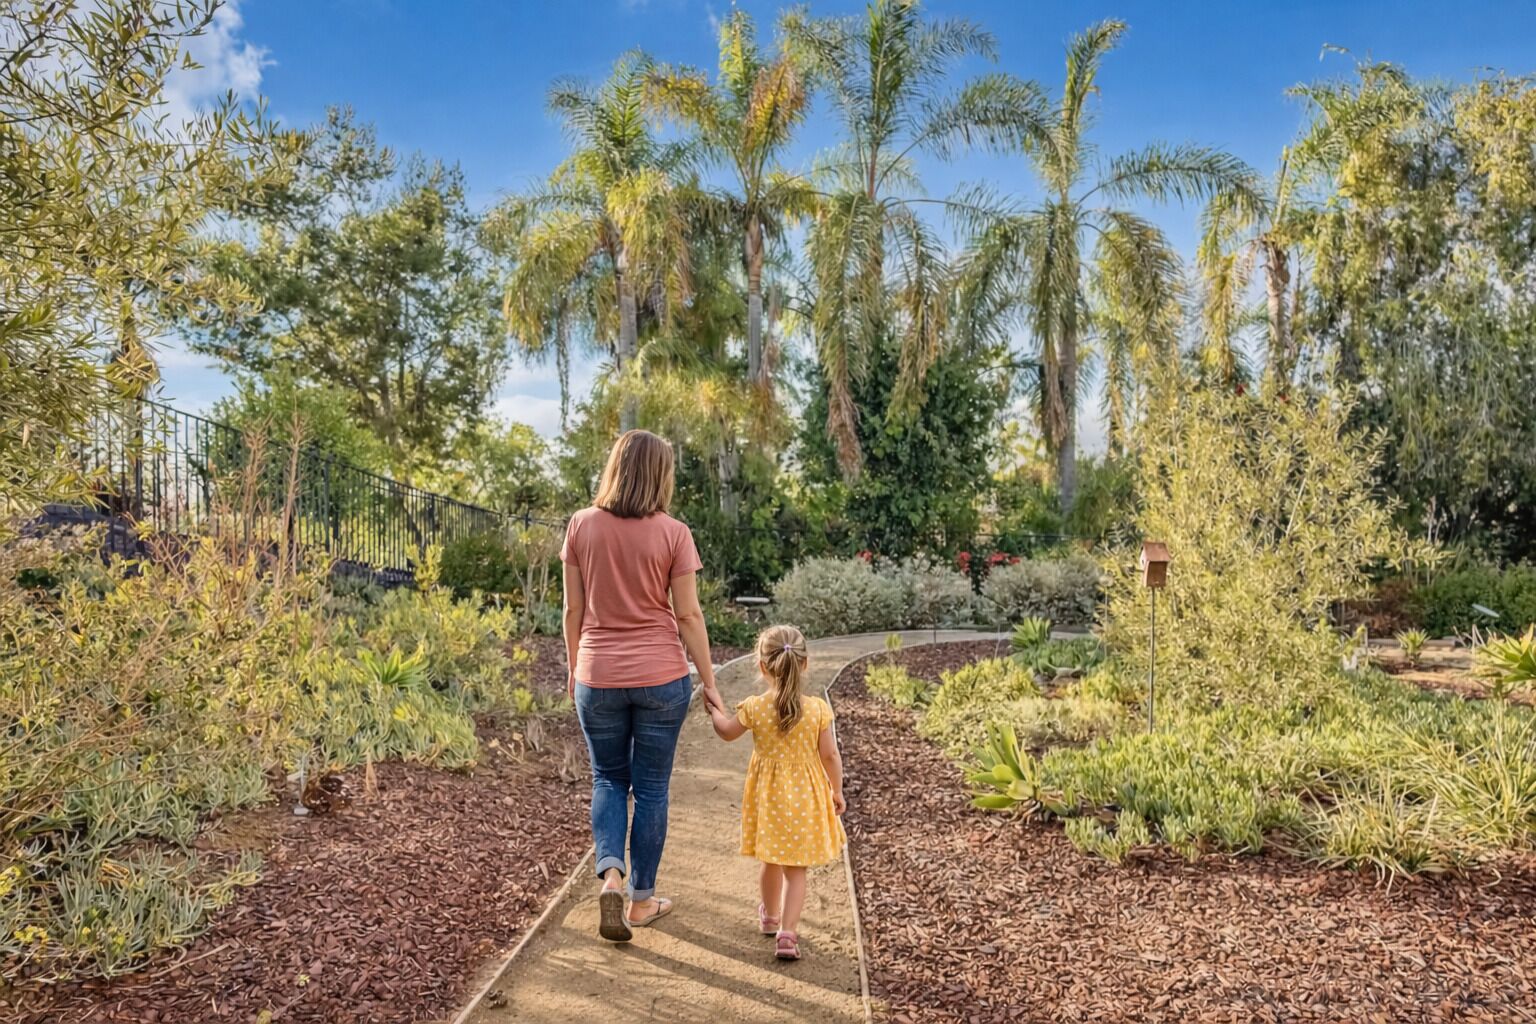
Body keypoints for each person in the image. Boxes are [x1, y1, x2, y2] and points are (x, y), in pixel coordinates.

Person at [561, 429, 724, 943]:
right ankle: (642, 900)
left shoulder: (581, 526)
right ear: (661, 475)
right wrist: (712, 682)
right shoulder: (674, 533)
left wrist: (574, 667)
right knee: (651, 789)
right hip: (661, 677)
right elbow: (689, 615)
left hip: (598, 674)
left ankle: (611, 876)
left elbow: (572, 610)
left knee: (608, 779)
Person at [706, 624, 847, 961]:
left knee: (770, 859)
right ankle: (787, 933)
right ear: (805, 664)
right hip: (805, 798)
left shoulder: (755, 707)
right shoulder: (815, 710)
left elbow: (726, 732)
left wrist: (714, 708)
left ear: (762, 666)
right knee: (796, 869)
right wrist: (837, 790)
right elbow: (829, 755)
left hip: (769, 799)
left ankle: (769, 918)